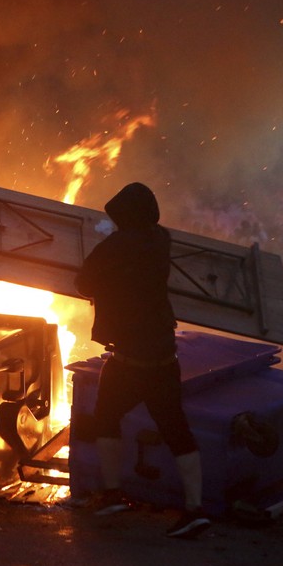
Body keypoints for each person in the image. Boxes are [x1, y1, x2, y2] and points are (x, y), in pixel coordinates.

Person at [74, 182, 210, 539]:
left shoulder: (117, 245)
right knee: (176, 428)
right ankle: (195, 508)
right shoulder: (161, 238)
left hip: (130, 355)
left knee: (106, 416)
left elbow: (83, 283)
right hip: (164, 353)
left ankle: (112, 493)